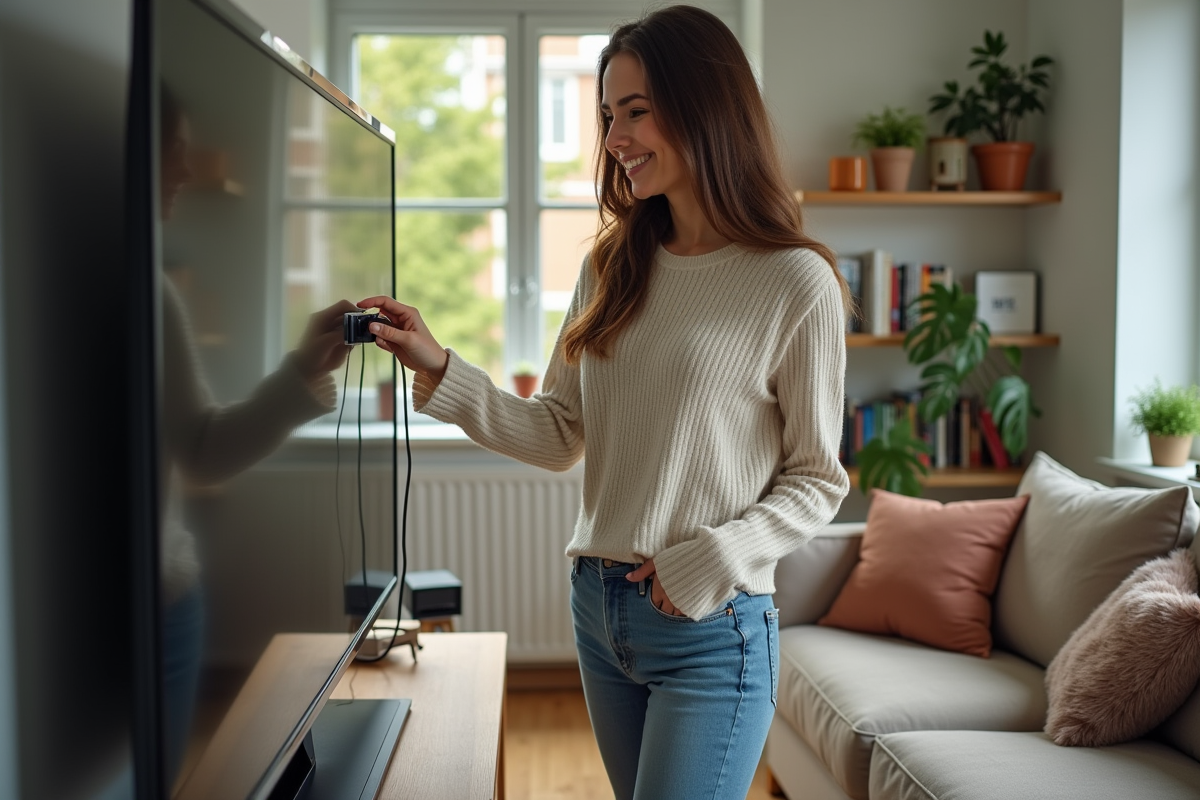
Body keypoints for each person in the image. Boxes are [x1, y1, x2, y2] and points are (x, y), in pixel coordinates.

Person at [360, 6, 851, 798]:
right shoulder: (613, 263)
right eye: (606, 116)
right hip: (599, 612)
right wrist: (442, 366)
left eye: (636, 112)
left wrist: (714, 556)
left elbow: (817, 479)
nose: (614, 138)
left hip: (710, 629)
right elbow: (559, 432)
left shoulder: (795, 281)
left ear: (706, 108)